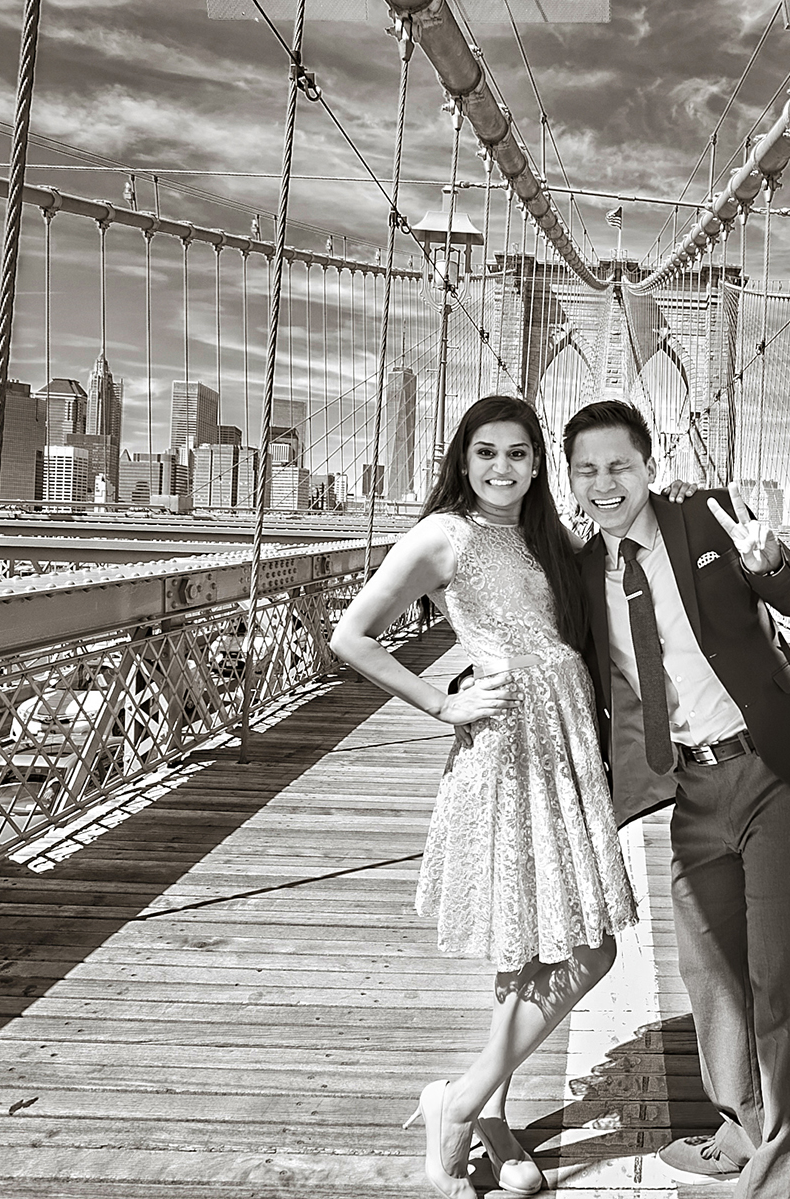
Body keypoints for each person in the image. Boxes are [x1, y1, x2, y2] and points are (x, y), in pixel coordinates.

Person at [330, 395, 636, 1199]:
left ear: (539, 466)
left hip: (564, 740)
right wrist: (443, 702)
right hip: (507, 750)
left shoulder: (546, 538)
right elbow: (351, 634)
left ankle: (467, 1104)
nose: (503, 468)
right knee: (545, 945)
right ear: (463, 461)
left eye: (519, 454)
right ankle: (475, 1110)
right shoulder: (443, 536)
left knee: (563, 945)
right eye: (487, 452)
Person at [563, 400, 790, 1199]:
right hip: (693, 786)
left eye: (619, 465)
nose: (605, 484)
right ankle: (741, 1125)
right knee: (711, 975)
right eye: (587, 470)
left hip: (782, 772)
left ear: (650, 466)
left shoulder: (706, 518)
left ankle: (784, 1178)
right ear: (571, 480)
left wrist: (770, 562)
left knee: (784, 984)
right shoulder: (586, 570)